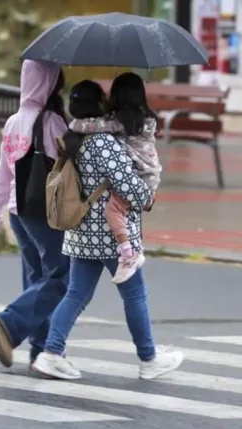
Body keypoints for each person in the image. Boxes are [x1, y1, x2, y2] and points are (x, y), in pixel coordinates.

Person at [31, 79, 183, 381]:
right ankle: (149, 359)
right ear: (97, 104)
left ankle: (51, 353)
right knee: (135, 294)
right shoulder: (103, 143)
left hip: (82, 231)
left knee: (76, 295)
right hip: (112, 234)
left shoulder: (76, 136)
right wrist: (147, 197)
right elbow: (126, 184)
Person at [0, 60, 70, 368]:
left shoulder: (14, 121)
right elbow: (71, 169)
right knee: (61, 276)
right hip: (44, 212)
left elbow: (2, 173)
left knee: (37, 279)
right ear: (50, 82)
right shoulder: (52, 123)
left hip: (17, 211)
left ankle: (41, 351)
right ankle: (10, 324)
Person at [69, 72, 161, 284]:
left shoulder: (123, 123)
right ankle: (129, 248)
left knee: (113, 209)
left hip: (142, 177)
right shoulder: (144, 118)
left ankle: (128, 254)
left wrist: (74, 125)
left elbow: (94, 126)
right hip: (149, 175)